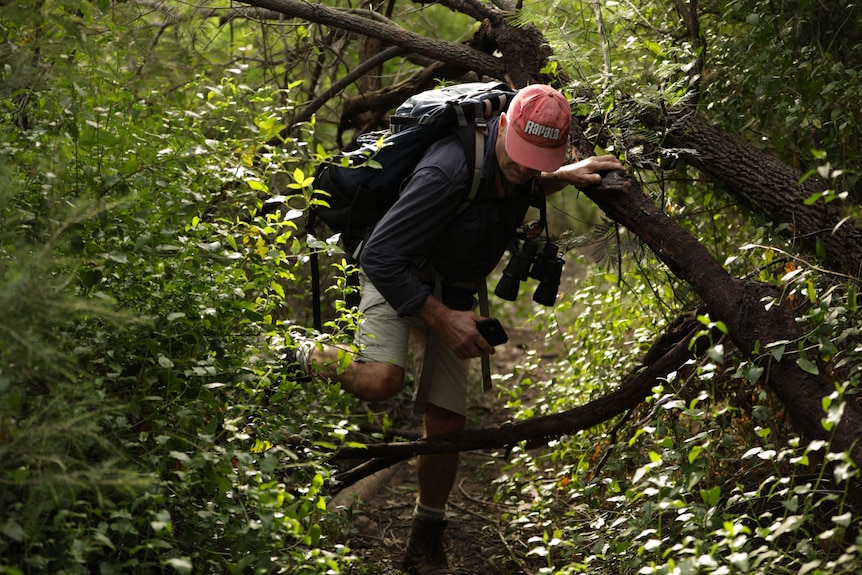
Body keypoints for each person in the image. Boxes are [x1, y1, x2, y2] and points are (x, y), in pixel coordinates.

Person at [288, 84, 624, 575]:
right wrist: (443, 319)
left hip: (452, 280)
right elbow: (381, 254)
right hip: (394, 265)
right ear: (502, 126)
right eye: (522, 154)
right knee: (382, 380)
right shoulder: (446, 170)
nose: (527, 168)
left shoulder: (521, 162)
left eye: (540, 160)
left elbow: (522, 178)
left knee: (448, 419)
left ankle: (425, 541)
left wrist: (566, 176)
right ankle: (298, 352)